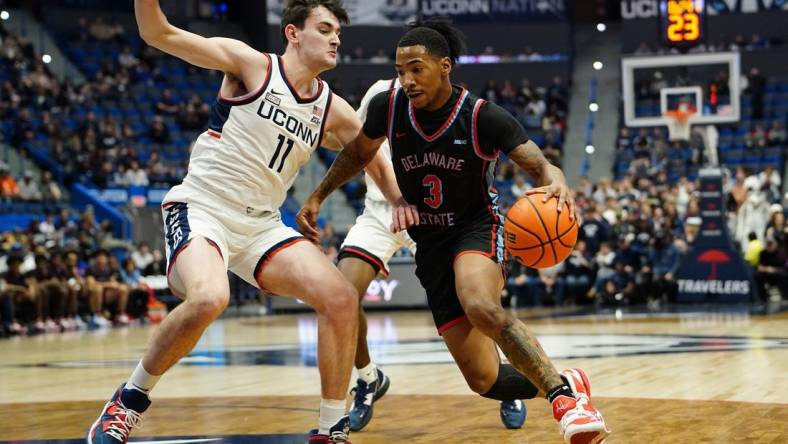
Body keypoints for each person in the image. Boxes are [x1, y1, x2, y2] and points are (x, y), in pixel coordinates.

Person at [88, 2, 402, 443]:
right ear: (293, 33)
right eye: (325, 29)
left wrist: (398, 201)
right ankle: (128, 401)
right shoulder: (251, 65)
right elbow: (158, 33)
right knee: (210, 297)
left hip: (261, 226)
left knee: (340, 298)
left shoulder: (333, 108)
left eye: (338, 34)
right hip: (203, 207)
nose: (335, 40)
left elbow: (370, 154)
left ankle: (331, 429)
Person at [298, 19, 610, 443]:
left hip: (476, 228)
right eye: (400, 70)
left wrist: (556, 178)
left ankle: (564, 402)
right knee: (483, 380)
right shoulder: (388, 108)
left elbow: (538, 162)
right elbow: (357, 153)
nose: (406, 79)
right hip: (429, 245)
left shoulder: (482, 116)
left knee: (480, 303)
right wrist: (318, 195)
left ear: (445, 66)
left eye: (416, 68)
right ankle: (568, 381)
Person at [337, 79, 526, 432]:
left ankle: (505, 381)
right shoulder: (379, 95)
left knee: (477, 302)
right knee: (341, 294)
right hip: (381, 211)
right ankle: (367, 378)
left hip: (434, 217)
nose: (412, 76)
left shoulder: (455, 102)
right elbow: (356, 143)